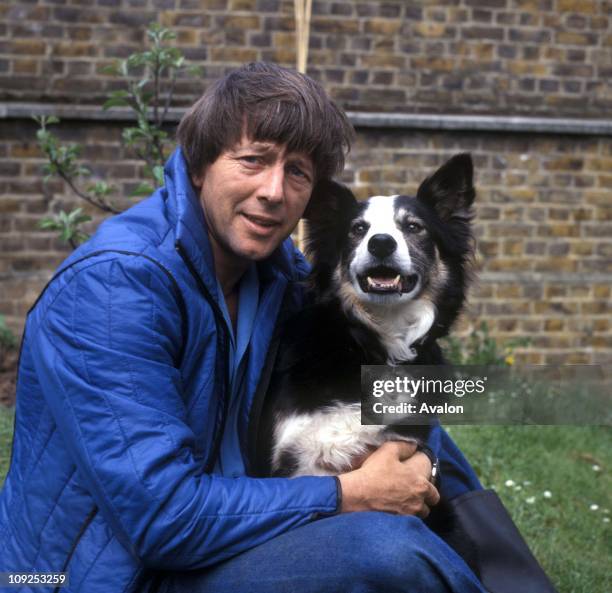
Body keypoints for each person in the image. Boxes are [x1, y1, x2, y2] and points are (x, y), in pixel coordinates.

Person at [0, 62, 495, 593]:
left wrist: (421, 458)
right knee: (389, 552)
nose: (273, 191)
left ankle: (508, 572)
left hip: (230, 536)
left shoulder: (276, 274)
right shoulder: (112, 291)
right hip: (110, 576)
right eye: (253, 160)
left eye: (298, 172)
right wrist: (350, 492)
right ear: (199, 165)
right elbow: (164, 520)